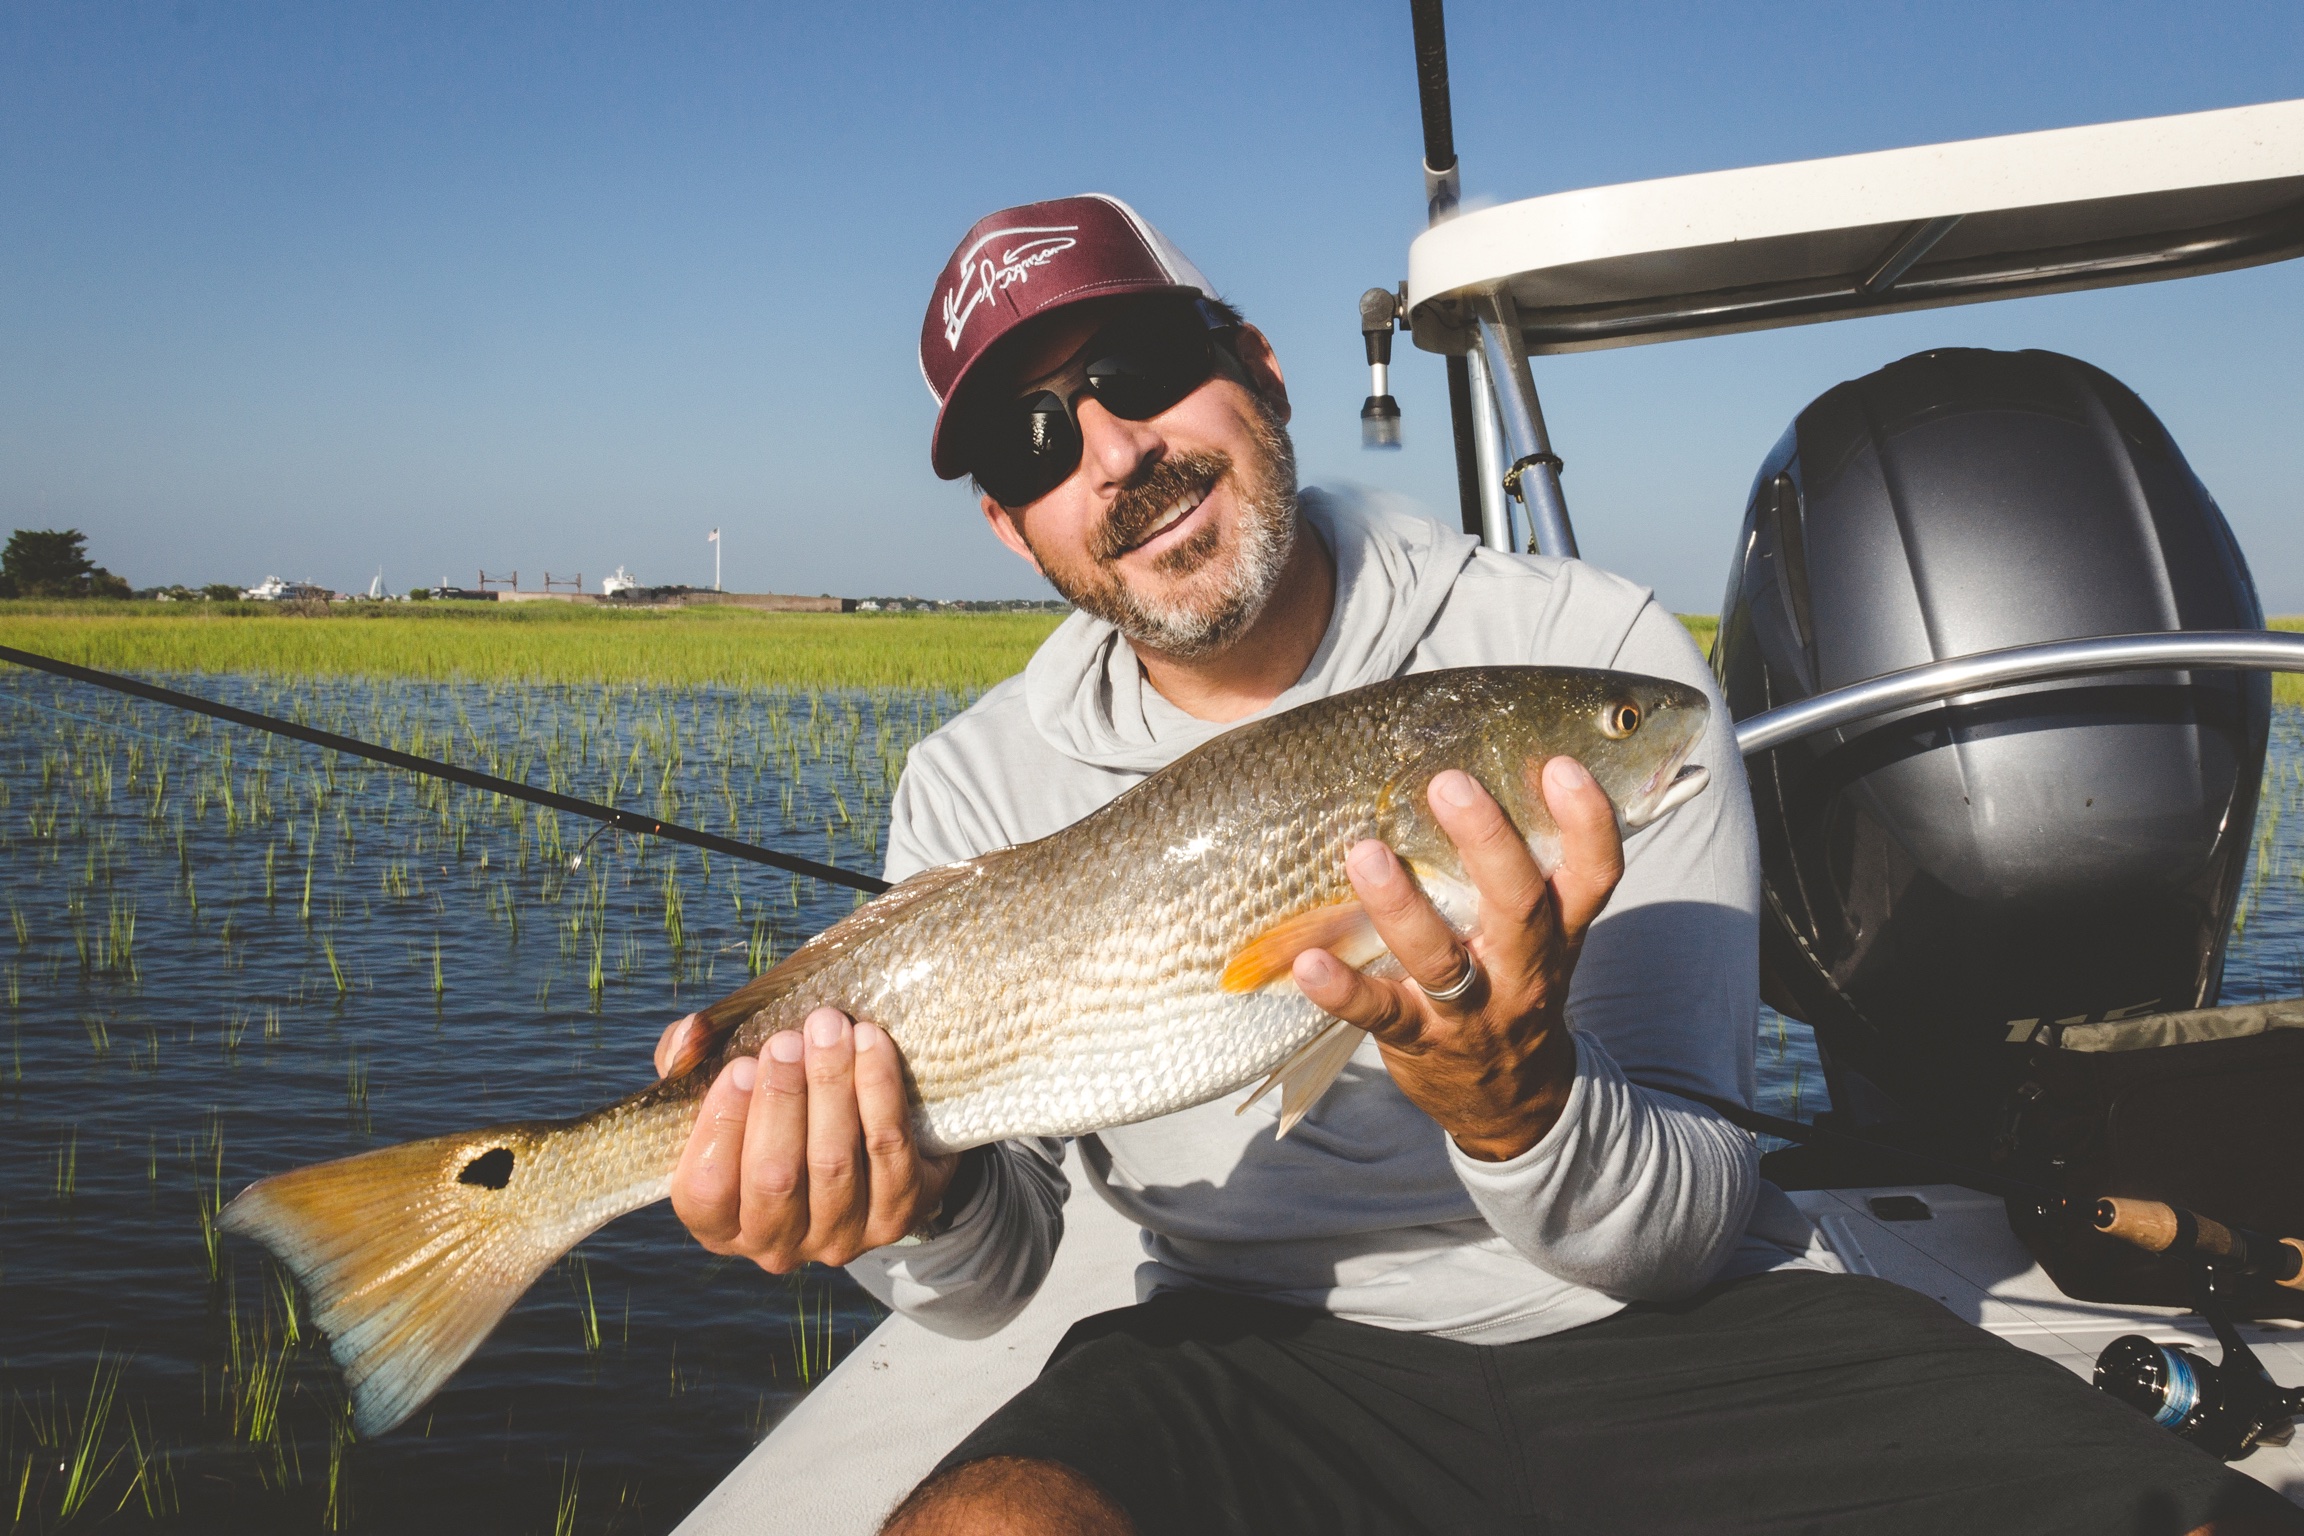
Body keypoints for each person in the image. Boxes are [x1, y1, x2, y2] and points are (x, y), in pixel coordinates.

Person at [651, 196, 2299, 1536]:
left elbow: (1692, 1214)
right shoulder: (970, 786)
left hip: (1684, 1322)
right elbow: (991, 1276)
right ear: (1013, 530)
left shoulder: (1585, 652)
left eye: (1143, 363)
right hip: (1238, 1348)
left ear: (1260, 367)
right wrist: (907, 1201)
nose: (1108, 447)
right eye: (1030, 442)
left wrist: (1522, 1107)